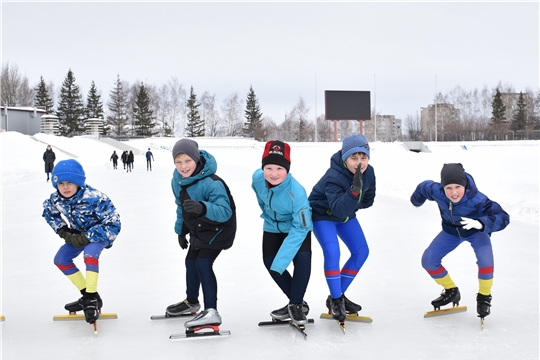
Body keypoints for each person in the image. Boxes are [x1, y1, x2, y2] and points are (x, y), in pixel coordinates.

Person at [410, 163, 510, 319]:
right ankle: (451, 291)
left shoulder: (478, 199)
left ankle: (484, 297)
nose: (454, 192)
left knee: (486, 261)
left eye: (458, 187)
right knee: (428, 260)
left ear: (464, 185)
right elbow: (423, 187)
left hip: (476, 232)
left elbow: (503, 217)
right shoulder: (437, 191)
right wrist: (416, 201)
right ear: (443, 187)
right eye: (448, 188)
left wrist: (481, 224)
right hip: (451, 231)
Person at [166, 139, 236, 329]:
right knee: (190, 262)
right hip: (199, 228)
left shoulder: (212, 183)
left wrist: (203, 208)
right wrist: (181, 230)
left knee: (203, 263)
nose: (183, 166)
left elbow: (224, 211)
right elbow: (181, 207)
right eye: (178, 162)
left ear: (196, 159)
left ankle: (212, 311)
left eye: (187, 161)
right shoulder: (177, 181)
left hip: (219, 229)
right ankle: (192, 302)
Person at [42, 159, 121, 324]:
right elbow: (49, 214)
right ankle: (88, 296)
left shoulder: (94, 197)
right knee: (61, 259)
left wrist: (87, 237)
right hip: (77, 234)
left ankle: (91, 298)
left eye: (70, 182)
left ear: (78, 182)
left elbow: (114, 223)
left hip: (100, 234)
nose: (65, 187)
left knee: (90, 253)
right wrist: (64, 231)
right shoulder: (56, 199)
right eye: (61, 183)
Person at [308, 134, 376, 322]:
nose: (359, 163)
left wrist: (353, 199)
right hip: (323, 214)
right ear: (345, 158)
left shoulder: (369, 173)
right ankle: (337, 299)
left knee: (361, 251)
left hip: (344, 214)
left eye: (364, 157)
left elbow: (368, 201)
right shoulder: (334, 176)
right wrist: (353, 192)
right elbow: (337, 207)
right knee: (332, 252)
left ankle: (336, 297)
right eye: (354, 158)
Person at [251, 140, 313, 326]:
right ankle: (298, 303)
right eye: (268, 168)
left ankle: (295, 303)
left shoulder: (297, 193)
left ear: (287, 169)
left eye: (279, 168)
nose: (273, 173)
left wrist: (283, 259)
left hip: (297, 228)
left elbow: (300, 227)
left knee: (301, 260)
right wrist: (268, 215)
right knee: (270, 262)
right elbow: (261, 198)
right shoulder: (257, 178)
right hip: (271, 225)